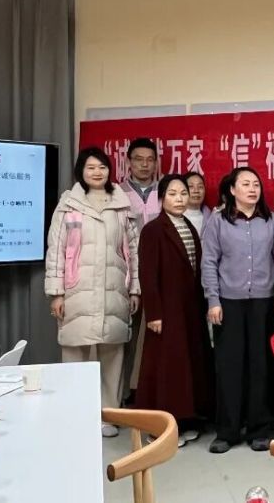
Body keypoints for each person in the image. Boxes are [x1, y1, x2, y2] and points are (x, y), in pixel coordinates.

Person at [45, 147, 140, 438]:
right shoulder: (68, 204)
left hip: (114, 290)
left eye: (102, 167)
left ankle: (108, 416)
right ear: (81, 171)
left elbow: (133, 251)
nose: (97, 172)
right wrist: (56, 293)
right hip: (77, 291)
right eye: (91, 167)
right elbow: (56, 249)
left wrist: (135, 289)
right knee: (75, 354)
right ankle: (77, 415)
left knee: (113, 356)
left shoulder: (121, 204)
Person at [202, 167, 274, 454]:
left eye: (256, 185)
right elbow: (209, 261)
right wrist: (213, 300)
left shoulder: (270, 220)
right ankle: (227, 431)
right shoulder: (218, 221)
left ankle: (259, 429)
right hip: (228, 303)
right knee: (229, 366)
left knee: (260, 366)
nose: (252, 189)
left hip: (264, 301)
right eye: (246, 184)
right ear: (232, 190)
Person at [136, 175, 213, 447]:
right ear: (161, 198)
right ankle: (160, 428)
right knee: (166, 369)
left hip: (188, 308)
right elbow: (147, 274)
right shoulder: (153, 230)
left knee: (187, 366)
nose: (179, 199)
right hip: (166, 310)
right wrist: (154, 313)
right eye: (173, 194)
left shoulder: (188, 225)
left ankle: (186, 420)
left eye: (183, 193)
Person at [120, 138, 160, 407]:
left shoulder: (166, 191)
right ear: (128, 162)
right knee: (128, 336)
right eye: (138, 159)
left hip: (158, 275)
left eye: (149, 160)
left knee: (155, 336)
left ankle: (150, 391)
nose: (144, 165)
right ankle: (126, 393)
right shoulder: (117, 193)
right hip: (128, 273)